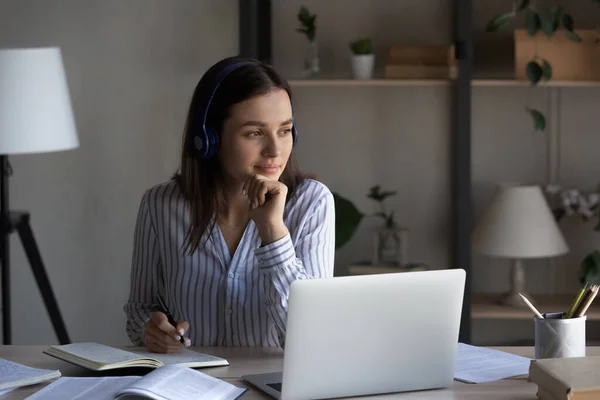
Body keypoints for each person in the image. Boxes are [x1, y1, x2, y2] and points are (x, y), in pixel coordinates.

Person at [123, 56, 335, 353]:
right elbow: (139, 309)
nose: (275, 150)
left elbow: (312, 340)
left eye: (285, 131)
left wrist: (273, 231)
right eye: (255, 133)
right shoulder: (160, 206)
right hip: (192, 387)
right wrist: (152, 330)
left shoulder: (312, 203)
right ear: (208, 138)